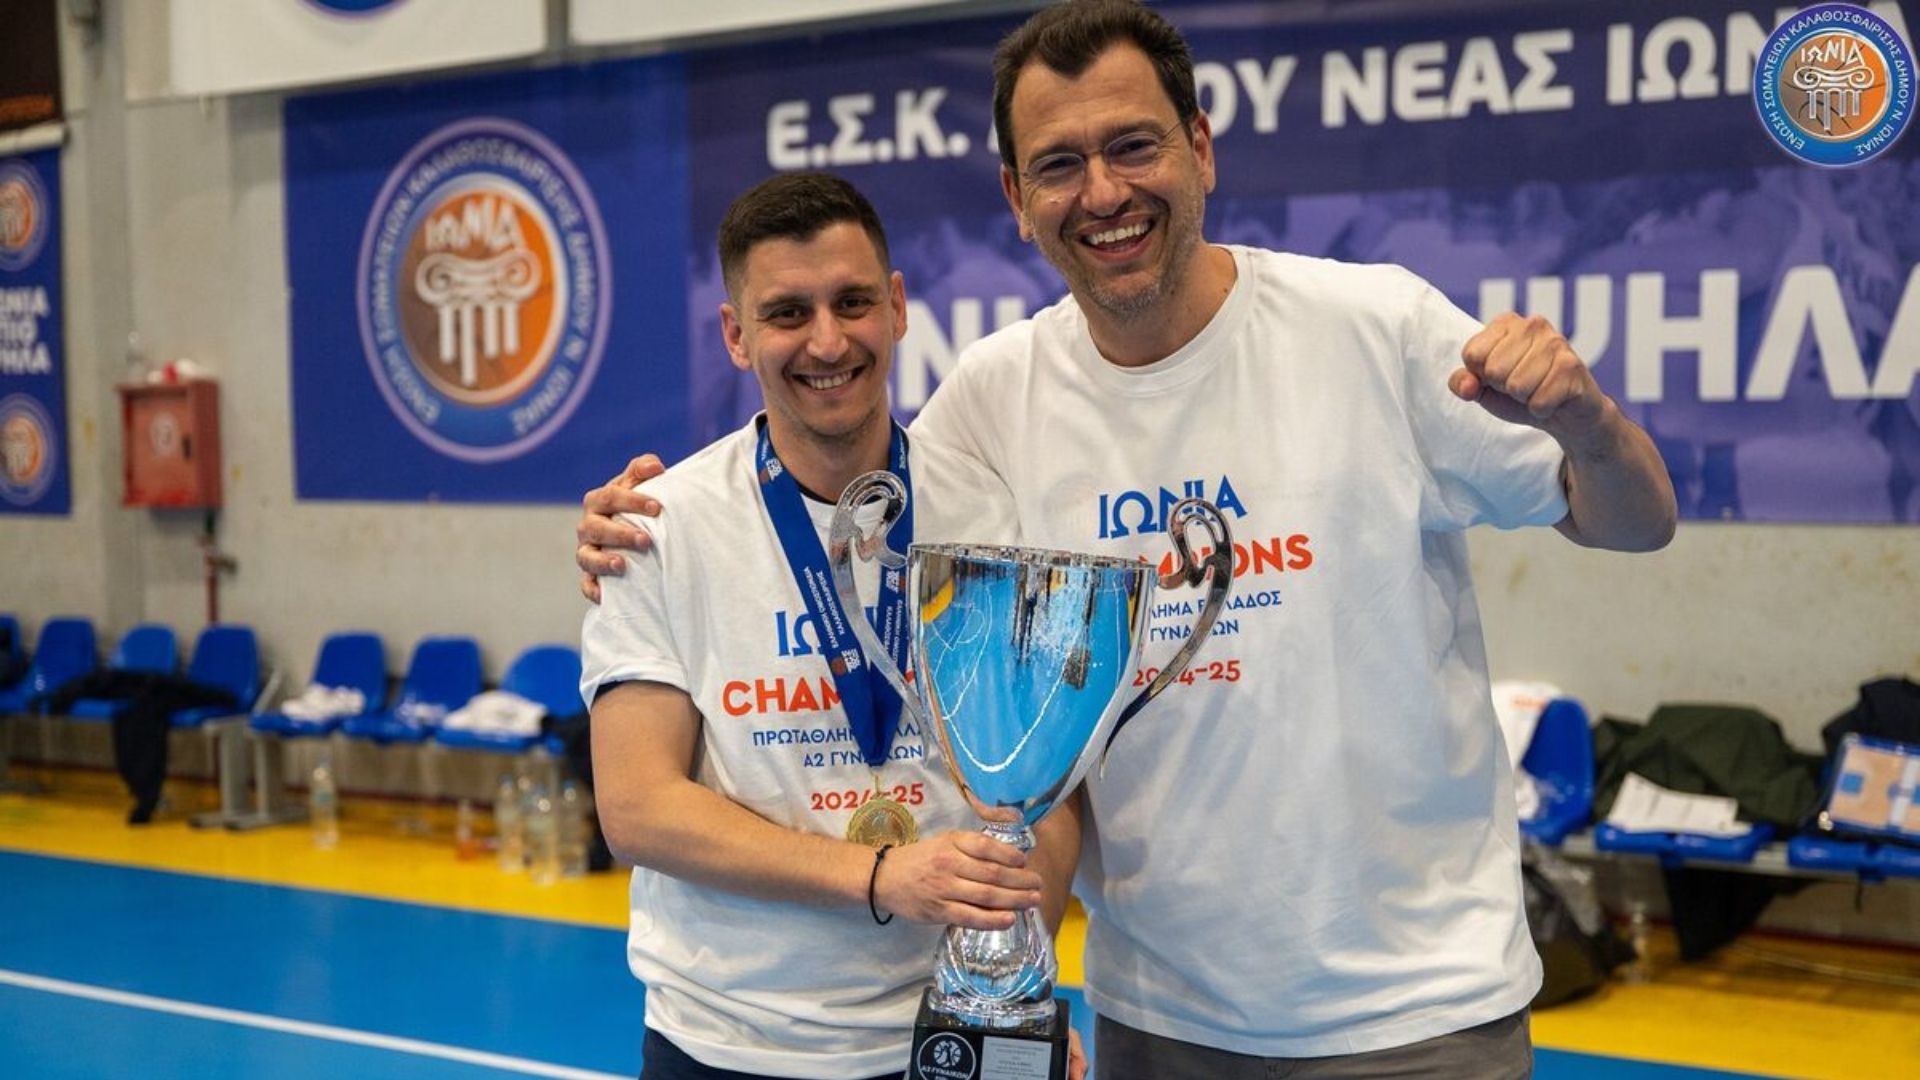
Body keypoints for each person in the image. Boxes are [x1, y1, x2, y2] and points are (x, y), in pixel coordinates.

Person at [578, 3, 1677, 1077]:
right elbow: (848, 492)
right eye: (1059, 164)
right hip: (1158, 1012)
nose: (1103, 193)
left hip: (1411, 1012)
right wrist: (633, 526)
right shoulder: (994, 401)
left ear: (1201, 147)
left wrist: (1590, 422)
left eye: (1134, 146)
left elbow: (1635, 523)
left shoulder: (1375, 324)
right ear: (1016, 198)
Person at [578, 172, 1084, 1080]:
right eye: (786, 313)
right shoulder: (658, 526)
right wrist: (881, 876)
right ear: (736, 335)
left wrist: (1014, 989)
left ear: (896, 306)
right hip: (729, 1042)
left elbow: (1046, 787)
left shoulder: (993, 511)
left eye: (853, 302)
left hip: (944, 1031)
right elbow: (638, 807)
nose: (827, 341)